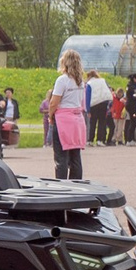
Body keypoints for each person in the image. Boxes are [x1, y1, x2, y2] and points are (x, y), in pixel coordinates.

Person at [43, 51, 91, 180]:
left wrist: (50, 115)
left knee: (61, 156)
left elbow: (54, 102)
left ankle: (61, 184)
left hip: (64, 119)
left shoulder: (62, 80)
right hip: (78, 119)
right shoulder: (80, 81)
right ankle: (76, 183)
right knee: (75, 156)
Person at [86, 68, 114, 145]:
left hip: (94, 104)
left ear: (89, 76)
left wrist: (88, 110)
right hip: (103, 102)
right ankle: (100, 140)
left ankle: (90, 140)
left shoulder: (89, 83)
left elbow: (87, 96)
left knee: (93, 123)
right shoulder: (103, 80)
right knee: (102, 122)